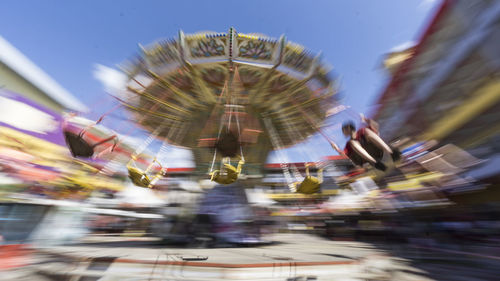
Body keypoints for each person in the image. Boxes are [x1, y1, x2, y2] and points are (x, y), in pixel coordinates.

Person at [330, 115, 400, 171]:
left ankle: (391, 152)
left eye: (343, 130)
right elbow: (344, 155)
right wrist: (336, 148)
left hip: (378, 150)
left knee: (366, 130)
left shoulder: (362, 131)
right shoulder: (349, 144)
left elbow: (375, 126)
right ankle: (376, 163)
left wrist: (365, 119)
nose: (343, 133)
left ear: (348, 128)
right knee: (352, 142)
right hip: (370, 157)